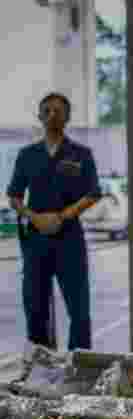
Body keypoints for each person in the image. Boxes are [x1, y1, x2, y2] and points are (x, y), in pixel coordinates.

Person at [5, 93, 101, 351]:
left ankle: (79, 367)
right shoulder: (27, 155)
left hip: (69, 237)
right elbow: (13, 195)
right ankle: (41, 367)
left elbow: (93, 193)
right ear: (39, 116)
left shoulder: (81, 154)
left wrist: (62, 216)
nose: (52, 115)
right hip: (36, 240)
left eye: (58, 111)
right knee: (35, 308)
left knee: (79, 310)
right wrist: (34, 217)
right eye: (47, 110)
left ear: (68, 117)